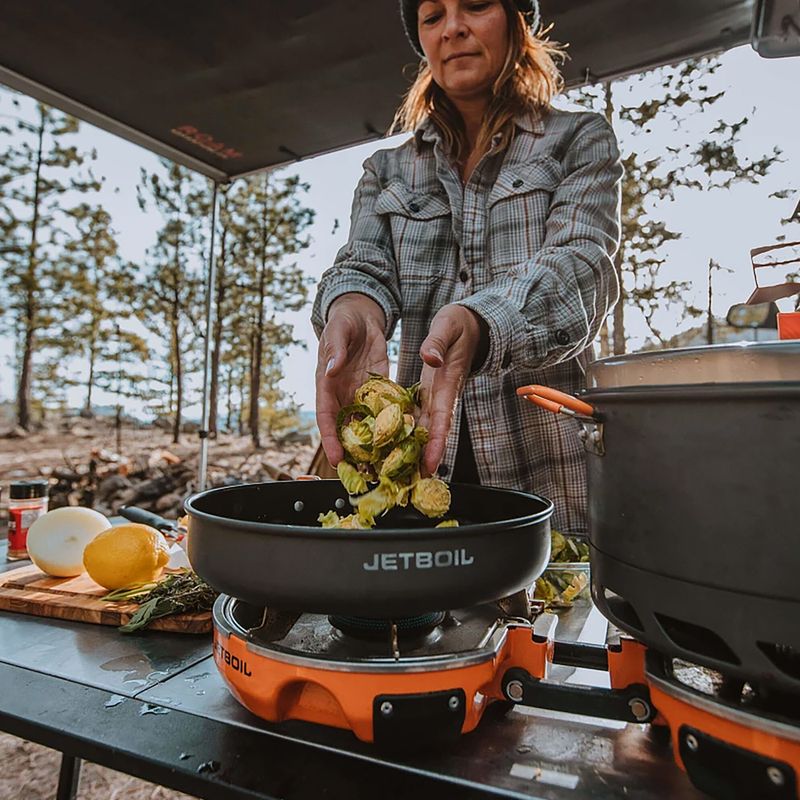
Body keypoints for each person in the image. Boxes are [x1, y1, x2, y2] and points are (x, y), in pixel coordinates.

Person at [312, 0, 622, 533]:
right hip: (415, 478)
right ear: (423, 42)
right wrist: (352, 307)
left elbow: (581, 267)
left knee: (550, 610)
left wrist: (482, 323)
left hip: (549, 471)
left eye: (475, 6)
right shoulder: (385, 170)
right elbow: (363, 265)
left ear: (515, 21)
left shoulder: (579, 139)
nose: (453, 28)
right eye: (432, 17)